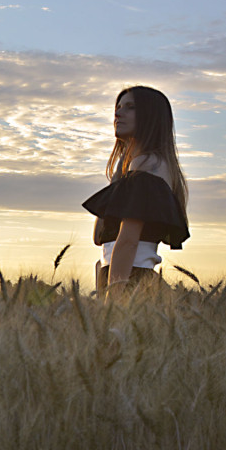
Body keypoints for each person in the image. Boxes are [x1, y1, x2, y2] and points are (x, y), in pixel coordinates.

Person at [81, 86, 189, 299]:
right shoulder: (134, 167)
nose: (118, 113)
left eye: (130, 107)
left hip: (129, 281)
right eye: (118, 107)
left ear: (150, 116)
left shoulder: (148, 166)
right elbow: (100, 237)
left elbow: (129, 240)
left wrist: (113, 298)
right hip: (123, 275)